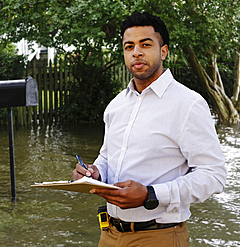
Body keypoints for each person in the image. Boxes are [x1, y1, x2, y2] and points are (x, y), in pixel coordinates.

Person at [72, 12, 226, 247]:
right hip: (109, 233)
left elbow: (214, 175)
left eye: (145, 44)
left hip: (159, 236)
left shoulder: (188, 104)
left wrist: (151, 195)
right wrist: (94, 173)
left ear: (163, 51)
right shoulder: (116, 105)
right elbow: (107, 156)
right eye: (129, 46)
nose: (136, 52)